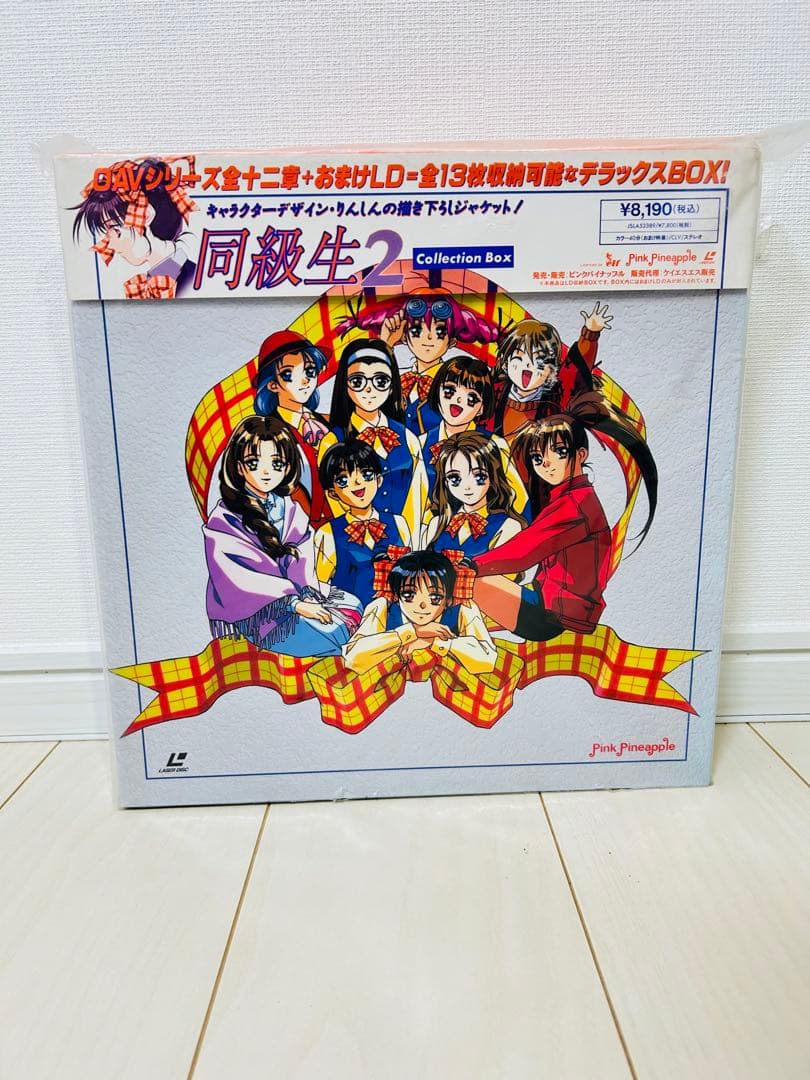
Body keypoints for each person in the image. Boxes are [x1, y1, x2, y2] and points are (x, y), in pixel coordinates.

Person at [472, 392, 658, 641]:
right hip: (555, 603)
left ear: (580, 454)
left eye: (558, 451)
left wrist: (471, 565)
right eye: (537, 458)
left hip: (553, 616)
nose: (546, 464)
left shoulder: (575, 505)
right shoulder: (572, 497)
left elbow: (524, 551)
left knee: (470, 582)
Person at [204, 415, 360, 657]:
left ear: (287, 467)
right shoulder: (224, 519)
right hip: (258, 615)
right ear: (238, 467)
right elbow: (242, 580)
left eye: (276, 463)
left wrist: (306, 594)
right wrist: (294, 604)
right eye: (254, 463)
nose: (266, 472)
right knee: (335, 632)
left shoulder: (289, 508)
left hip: (297, 596)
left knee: (355, 606)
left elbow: (303, 557)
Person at [336, 287, 500, 435]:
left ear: (451, 341)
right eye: (416, 330)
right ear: (404, 337)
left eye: (440, 332)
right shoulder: (395, 381)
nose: (428, 338)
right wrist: (386, 344)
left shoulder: (457, 384)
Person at [318, 337, 427, 538]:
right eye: (357, 381)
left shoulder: (409, 438)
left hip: (403, 540)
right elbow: (337, 503)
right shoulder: (332, 442)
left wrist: (407, 540)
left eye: (380, 381)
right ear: (345, 385)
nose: (369, 389)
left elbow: (417, 497)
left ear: (392, 386)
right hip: (354, 542)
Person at [343, 549, 496, 676]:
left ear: (449, 599)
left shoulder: (464, 607)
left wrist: (433, 640)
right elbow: (353, 657)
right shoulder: (382, 605)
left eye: (435, 597)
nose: (422, 605)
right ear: (396, 595)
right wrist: (412, 632)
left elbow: (487, 660)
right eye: (409, 595)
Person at [72, 156, 197, 298]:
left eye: (117, 231)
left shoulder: (195, 280)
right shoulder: (149, 284)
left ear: (146, 215)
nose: (111, 246)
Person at [419, 355, 528, 515]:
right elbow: (416, 501)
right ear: (437, 392)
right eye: (449, 391)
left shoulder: (494, 444)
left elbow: (519, 500)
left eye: (471, 398)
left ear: (482, 407)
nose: (458, 400)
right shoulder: (420, 444)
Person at [491, 302, 612, 442]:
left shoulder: (554, 400)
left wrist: (589, 334)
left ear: (551, 371)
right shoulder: (494, 393)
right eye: (519, 357)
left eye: (539, 361)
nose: (528, 365)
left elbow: (574, 370)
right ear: (506, 362)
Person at [314, 441, 411, 609]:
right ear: (333, 493)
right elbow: (320, 588)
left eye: (366, 474)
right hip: (353, 618)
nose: (357, 482)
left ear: (379, 480)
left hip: (398, 616)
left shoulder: (398, 523)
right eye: (343, 480)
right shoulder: (328, 533)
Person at [253, 329, 332, 528]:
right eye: (289, 374)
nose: (304, 380)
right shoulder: (267, 435)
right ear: (272, 384)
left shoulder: (328, 422)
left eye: (310, 371)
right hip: (299, 527)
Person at [423, 432, 525, 557]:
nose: (467, 486)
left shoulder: (508, 526)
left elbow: (502, 569)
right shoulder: (437, 524)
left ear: (492, 477)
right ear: (445, 482)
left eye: (478, 476)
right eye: (454, 478)